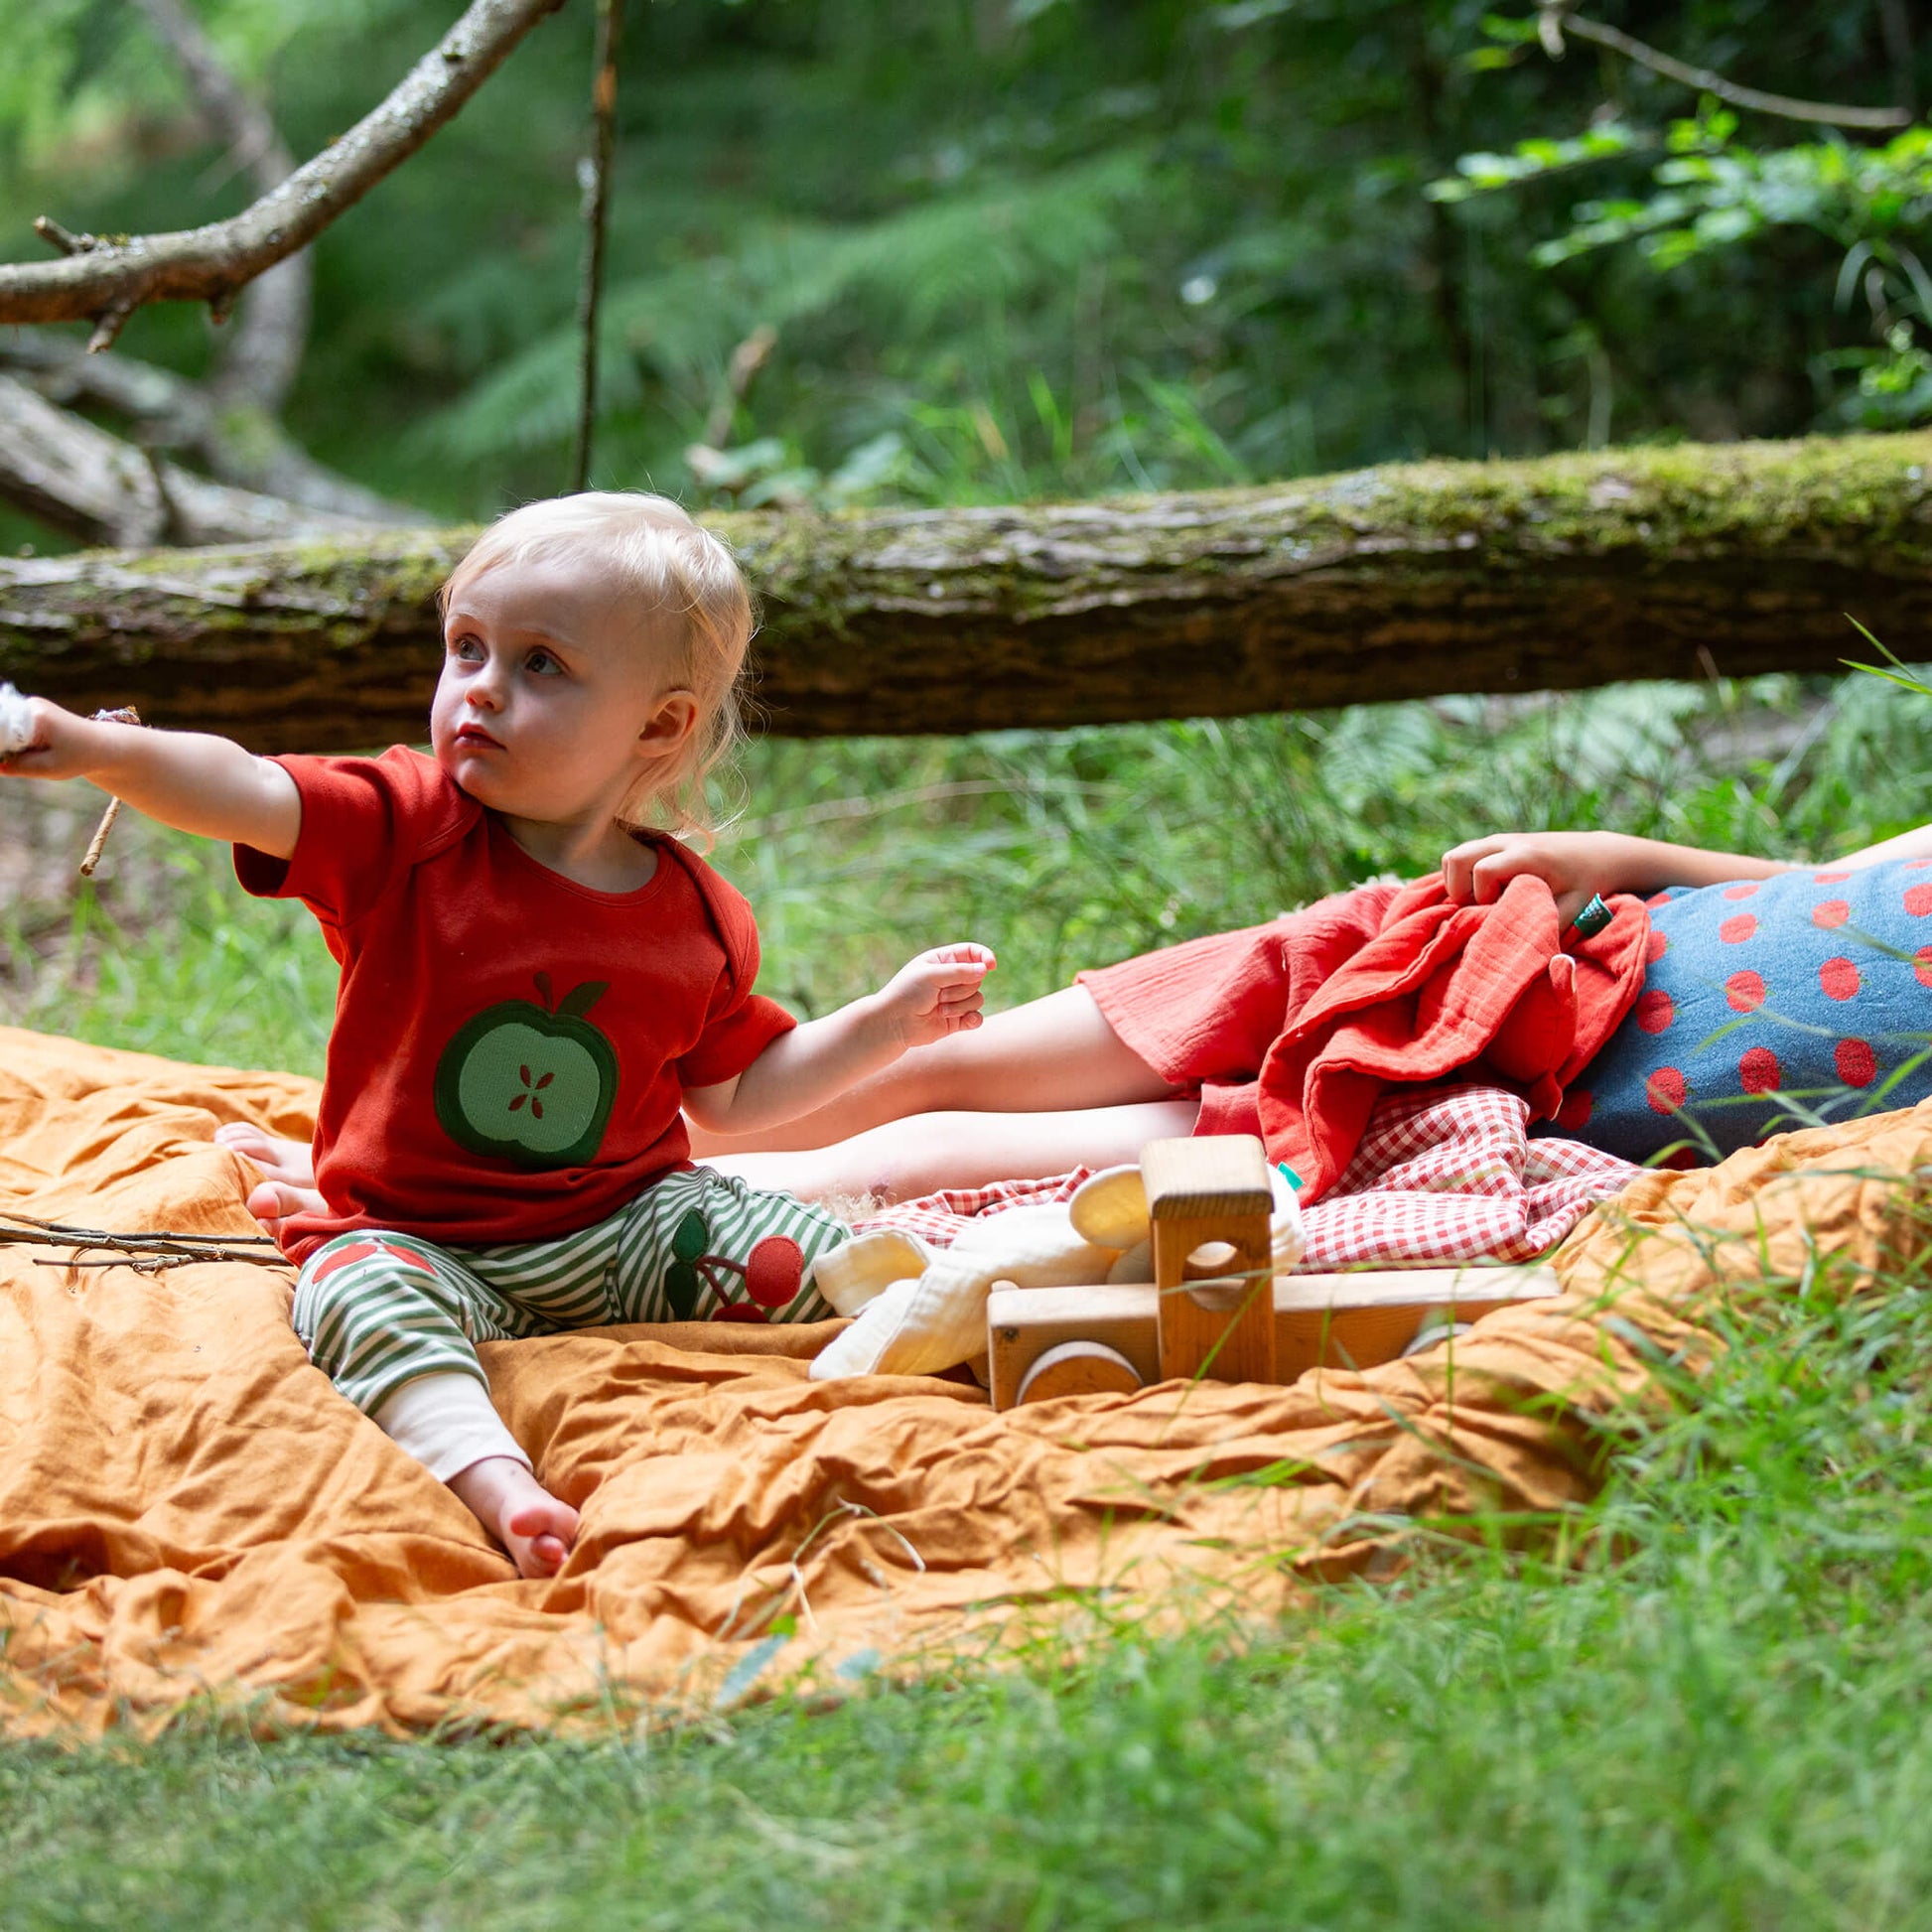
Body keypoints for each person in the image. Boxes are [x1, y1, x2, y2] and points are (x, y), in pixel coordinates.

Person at [0, 491, 996, 1579]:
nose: (479, 686)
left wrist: (881, 1024)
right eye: (466, 647)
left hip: (623, 1229)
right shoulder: (403, 826)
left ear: (658, 727)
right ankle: (499, 1485)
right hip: (418, 1237)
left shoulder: (696, 915)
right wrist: (95, 748)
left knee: (785, 1241)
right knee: (351, 1294)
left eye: (541, 664)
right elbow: (244, 786)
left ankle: (971, 1304)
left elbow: (737, 1094)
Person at [221, 814, 1932, 1227]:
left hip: (1517, 1092)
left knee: (977, 1157)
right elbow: (1821, 877)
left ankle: (544, 1207)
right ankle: (567, 1133)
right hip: (1513, 951)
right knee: (959, 1055)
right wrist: (1619, 855)